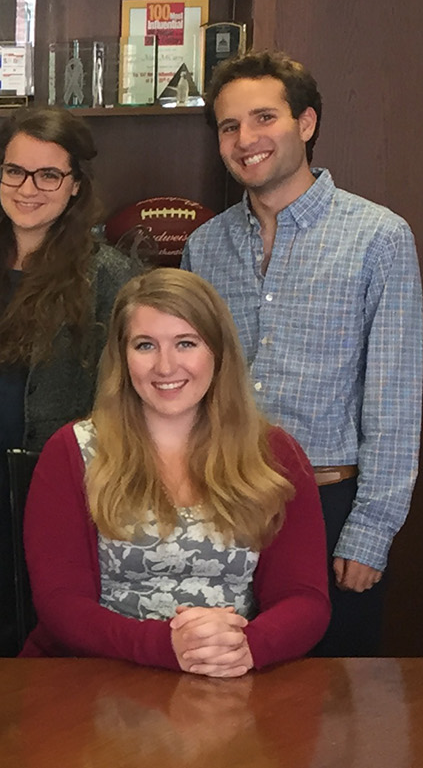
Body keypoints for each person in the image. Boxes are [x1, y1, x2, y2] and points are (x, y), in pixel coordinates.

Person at [182, 52, 421, 657]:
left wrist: (370, 531)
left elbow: (394, 400)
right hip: (221, 502)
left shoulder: (378, 238)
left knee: (335, 702)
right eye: (229, 126)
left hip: (328, 505)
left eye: (264, 118)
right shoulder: (204, 246)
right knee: (226, 685)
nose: (246, 140)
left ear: (306, 123)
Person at [22, 268, 331, 675]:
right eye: (145, 345)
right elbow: (61, 604)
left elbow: (305, 599)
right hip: (96, 677)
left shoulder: (276, 455)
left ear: (217, 353)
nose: (165, 366)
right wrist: (167, 646)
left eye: (186, 343)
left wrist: (247, 647)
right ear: (122, 356)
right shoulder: (72, 451)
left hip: (233, 674)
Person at [0, 107, 140, 654]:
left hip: (60, 478)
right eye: (14, 172)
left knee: (46, 627)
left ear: (76, 186)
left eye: (48, 175)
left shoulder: (111, 276)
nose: (28, 188)